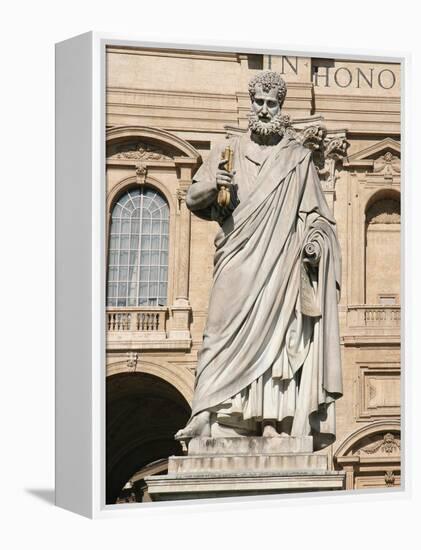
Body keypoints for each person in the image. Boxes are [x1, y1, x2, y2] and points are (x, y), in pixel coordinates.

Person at [175, 71, 342, 450]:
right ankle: (206, 413)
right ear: (250, 103)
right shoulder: (227, 148)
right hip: (236, 256)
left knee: (275, 341)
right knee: (217, 332)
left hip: (278, 263)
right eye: (259, 102)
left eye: (272, 104)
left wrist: (316, 241)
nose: (264, 110)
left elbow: (319, 216)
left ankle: (269, 420)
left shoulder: (298, 158)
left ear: (281, 107)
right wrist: (213, 185)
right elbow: (193, 199)